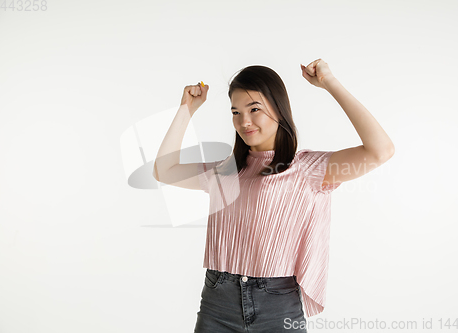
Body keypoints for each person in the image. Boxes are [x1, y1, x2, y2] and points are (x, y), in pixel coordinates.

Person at [152, 59, 395, 332]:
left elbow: (380, 150)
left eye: (254, 109)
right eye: (235, 112)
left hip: (276, 307)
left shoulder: (308, 169)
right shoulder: (225, 172)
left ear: (278, 109)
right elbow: (164, 169)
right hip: (217, 303)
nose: (244, 121)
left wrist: (329, 83)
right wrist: (187, 109)